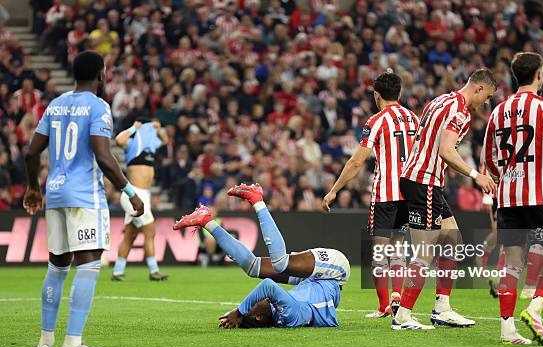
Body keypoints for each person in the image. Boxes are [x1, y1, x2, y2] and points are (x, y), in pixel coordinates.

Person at [24, 51, 144, 347]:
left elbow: (30, 152)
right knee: (88, 264)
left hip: (55, 193)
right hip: (84, 196)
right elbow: (103, 156)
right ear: (101, 75)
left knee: (57, 266)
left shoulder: (55, 104)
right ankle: (73, 344)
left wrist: (32, 188)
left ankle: (45, 342)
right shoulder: (98, 106)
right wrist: (129, 190)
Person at [482, 52, 543, 345]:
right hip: (537, 197)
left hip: (508, 198)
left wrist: (505, 179)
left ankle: (507, 330)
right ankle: (535, 309)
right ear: (539, 75)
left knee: (512, 263)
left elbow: (488, 156)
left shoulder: (498, 110)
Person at [393, 68, 497, 330]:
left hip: (422, 179)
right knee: (424, 252)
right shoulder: (460, 111)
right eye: (487, 96)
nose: (486, 102)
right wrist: (476, 175)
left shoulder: (440, 100)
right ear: (478, 88)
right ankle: (402, 315)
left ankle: (442, 308)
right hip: (424, 180)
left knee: (452, 238)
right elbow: (446, 150)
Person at [173, 183, 350, 328]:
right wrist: (240, 311)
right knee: (280, 264)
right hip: (335, 273)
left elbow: (266, 291)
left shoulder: (282, 313)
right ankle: (257, 199)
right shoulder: (292, 315)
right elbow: (267, 286)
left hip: (310, 280)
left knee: (252, 267)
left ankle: (206, 221)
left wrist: (241, 316)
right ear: (258, 316)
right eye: (253, 306)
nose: (258, 300)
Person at [322, 70, 418, 318]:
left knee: (379, 252)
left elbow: (356, 162)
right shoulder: (413, 119)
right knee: (398, 249)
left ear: (377, 96)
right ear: (400, 93)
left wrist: (334, 190)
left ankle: (384, 305)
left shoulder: (376, 121)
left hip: (385, 194)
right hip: (409, 193)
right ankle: (397, 296)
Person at [112, 119, 169, 281]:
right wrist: (133, 127)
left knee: (130, 234)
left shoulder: (150, 145)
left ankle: (118, 271)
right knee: (150, 230)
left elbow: (165, 140)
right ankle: (153, 270)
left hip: (143, 194)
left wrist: (159, 129)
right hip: (134, 194)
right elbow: (118, 140)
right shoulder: (132, 144)